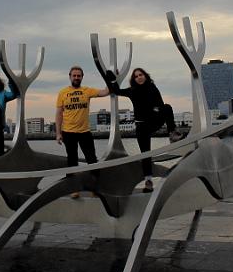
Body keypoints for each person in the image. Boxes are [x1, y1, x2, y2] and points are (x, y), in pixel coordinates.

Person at [105, 68, 182, 193]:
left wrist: (156, 109)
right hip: (142, 127)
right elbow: (116, 91)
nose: (139, 77)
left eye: (141, 75)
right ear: (134, 80)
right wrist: (112, 79)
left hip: (153, 121)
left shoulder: (152, 88)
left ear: (145, 76)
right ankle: (148, 182)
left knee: (167, 107)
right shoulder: (132, 91)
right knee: (146, 154)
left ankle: (172, 133)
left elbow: (160, 104)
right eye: (136, 76)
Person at [55, 66, 110, 198]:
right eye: (74, 75)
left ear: (82, 77)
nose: (76, 78)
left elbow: (105, 92)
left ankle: (94, 188)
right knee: (72, 161)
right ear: (70, 76)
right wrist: (58, 133)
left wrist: (111, 78)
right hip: (68, 132)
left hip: (85, 132)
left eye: (78, 75)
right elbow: (58, 114)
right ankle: (73, 189)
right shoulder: (63, 93)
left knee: (92, 160)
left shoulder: (87, 91)